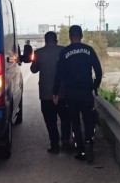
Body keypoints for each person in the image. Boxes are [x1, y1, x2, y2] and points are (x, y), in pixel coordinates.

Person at [52, 25, 103, 163]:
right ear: (81, 36)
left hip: (71, 93)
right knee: (89, 120)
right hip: (86, 92)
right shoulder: (89, 50)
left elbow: (59, 74)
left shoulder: (65, 52)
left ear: (70, 36)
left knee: (74, 122)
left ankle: (80, 150)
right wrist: (95, 85)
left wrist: (55, 92)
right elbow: (98, 70)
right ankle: (89, 142)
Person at [30, 31, 71, 154]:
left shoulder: (38, 53)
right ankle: (65, 142)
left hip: (46, 94)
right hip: (63, 93)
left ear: (45, 40)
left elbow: (33, 70)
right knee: (65, 119)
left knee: (50, 120)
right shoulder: (64, 51)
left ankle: (54, 145)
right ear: (56, 40)